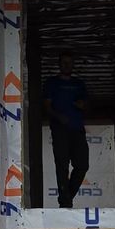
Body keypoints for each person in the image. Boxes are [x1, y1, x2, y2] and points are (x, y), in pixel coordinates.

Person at [42, 50, 90, 207]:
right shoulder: (52, 83)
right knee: (62, 165)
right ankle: (65, 201)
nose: (67, 65)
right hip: (60, 129)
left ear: (73, 65)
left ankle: (66, 198)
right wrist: (58, 116)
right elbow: (47, 106)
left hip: (77, 129)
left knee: (82, 165)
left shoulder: (79, 84)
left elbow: (86, 103)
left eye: (70, 62)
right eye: (64, 62)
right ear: (59, 64)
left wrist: (82, 105)